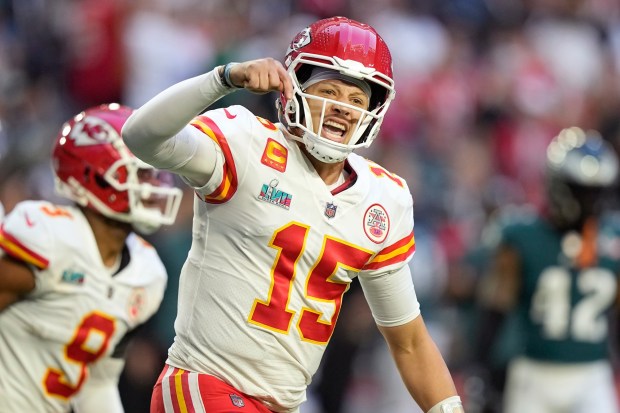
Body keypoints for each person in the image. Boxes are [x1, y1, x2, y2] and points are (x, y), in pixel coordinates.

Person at [122, 16, 464, 413]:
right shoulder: (246, 143)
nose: (343, 109)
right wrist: (223, 79)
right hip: (206, 382)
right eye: (329, 91)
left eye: (356, 100)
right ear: (294, 88)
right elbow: (141, 136)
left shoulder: (382, 200)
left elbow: (408, 341)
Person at [0, 103, 183, 413]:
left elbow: (98, 381)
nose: (152, 185)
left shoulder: (147, 272)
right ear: (95, 177)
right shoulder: (49, 237)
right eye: (140, 173)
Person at [475, 126, 620, 413]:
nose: (592, 202)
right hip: (532, 374)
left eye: (597, 192)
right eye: (583, 191)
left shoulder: (611, 240)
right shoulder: (522, 236)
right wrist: (483, 372)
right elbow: (495, 310)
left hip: (592, 374)